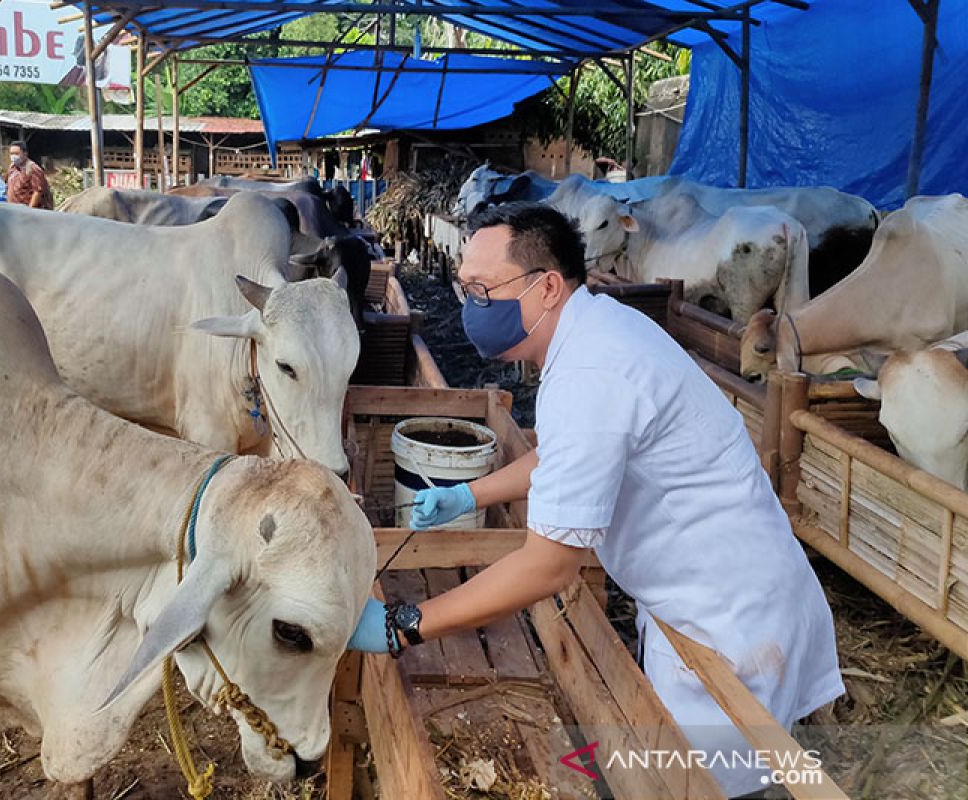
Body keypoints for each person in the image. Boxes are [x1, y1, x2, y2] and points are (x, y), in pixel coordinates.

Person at [348, 203, 844, 798]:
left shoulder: (590, 371)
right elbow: (565, 453)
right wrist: (467, 494)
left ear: (548, 287)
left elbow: (550, 563)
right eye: (466, 289)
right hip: (706, 595)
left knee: (706, 786)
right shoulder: (596, 330)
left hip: (731, 620)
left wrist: (408, 623)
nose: (473, 308)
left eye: (483, 291)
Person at [5, 140, 52, 209]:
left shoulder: (32, 169)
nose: (13, 156)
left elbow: (38, 192)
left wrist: (29, 210)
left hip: (26, 212)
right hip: (13, 210)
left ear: (25, 154)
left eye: (16, 153)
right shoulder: (12, 168)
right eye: (11, 154)